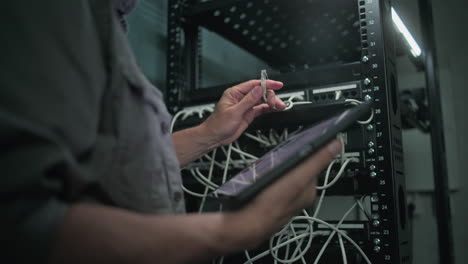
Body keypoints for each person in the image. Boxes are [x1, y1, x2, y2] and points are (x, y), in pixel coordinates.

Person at [0, 1, 342, 263]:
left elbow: (111, 164)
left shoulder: (107, 22)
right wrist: (244, 228)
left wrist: (212, 132)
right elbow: (22, 230)